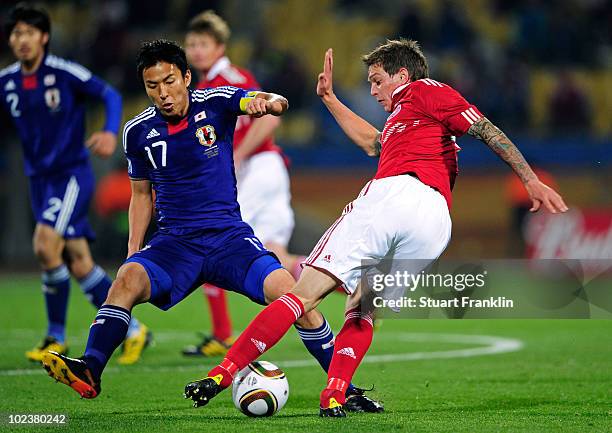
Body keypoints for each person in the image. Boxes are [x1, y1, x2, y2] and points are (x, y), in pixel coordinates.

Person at [183, 39, 569, 417]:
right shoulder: (410, 118)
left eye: (377, 80)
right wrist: (331, 99)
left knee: (302, 295)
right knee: (364, 308)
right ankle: (334, 394)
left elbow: (486, 129)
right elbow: (374, 144)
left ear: (403, 75)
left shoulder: (426, 90)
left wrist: (529, 179)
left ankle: (222, 373)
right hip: (432, 222)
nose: (373, 89)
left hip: (394, 196)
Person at [40, 41, 380, 412]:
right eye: (153, 86)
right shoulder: (137, 132)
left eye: (169, 81)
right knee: (125, 280)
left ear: (186, 77)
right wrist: (133, 250)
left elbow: (257, 100)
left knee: (292, 295)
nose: (163, 93)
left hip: (228, 238)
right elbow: (141, 195)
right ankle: (90, 369)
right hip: (174, 244)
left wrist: (270, 102)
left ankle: (342, 386)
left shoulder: (214, 101)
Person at [0, 3, 150, 365]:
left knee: (44, 244)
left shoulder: (63, 72)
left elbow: (110, 95)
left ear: (44, 37)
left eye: (29, 33)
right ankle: (133, 330)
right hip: (39, 180)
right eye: (16, 33)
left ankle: (56, 336)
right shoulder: (6, 82)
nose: (22, 40)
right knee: (80, 262)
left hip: (70, 175)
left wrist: (108, 132)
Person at [181, 10, 305, 357]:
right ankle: (356, 287)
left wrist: (238, 155)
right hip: (265, 170)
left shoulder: (230, 79)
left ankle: (222, 334)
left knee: (210, 238)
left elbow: (268, 121)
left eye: (203, 43)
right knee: (277, 257)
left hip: (257, 167)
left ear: (220, 46)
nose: (196, 50)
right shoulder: (201, 86)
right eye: (191, 44)